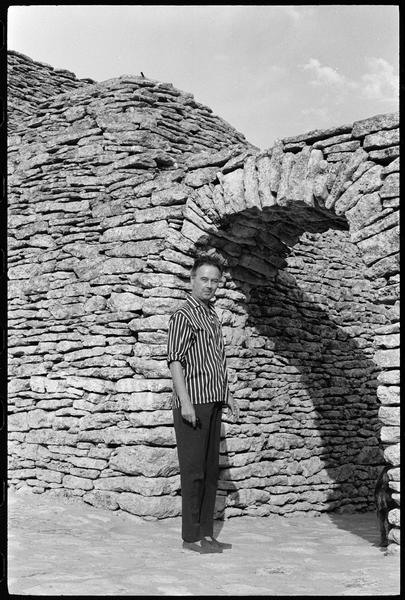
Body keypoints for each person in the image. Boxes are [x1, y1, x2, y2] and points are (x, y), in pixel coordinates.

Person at [167, 253, 239, 554]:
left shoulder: (211, 315)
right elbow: (175, 361)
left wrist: (227, 394)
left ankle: (207, 533)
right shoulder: (183, 315)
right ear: (192, 280)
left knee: (211, 471)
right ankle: (190, 537)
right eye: (204, 279)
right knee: (194, 472)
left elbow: (214, 361)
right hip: (192, 403)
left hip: (213, 401)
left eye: (214, 281)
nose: (209, 285)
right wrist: (185, 403)